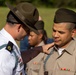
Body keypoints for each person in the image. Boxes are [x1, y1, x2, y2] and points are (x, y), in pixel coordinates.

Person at [0, 2, 54, 75]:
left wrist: (39, 49)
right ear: (19, 27)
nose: (27, 35)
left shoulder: (5, 42)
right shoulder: (5, 53)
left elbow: (16, 59)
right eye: (28, 31)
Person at [42, 8, 76, 75]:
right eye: (54, 31)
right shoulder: (47, 52)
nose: (55, 35)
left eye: (61, 32)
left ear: (73, 33)